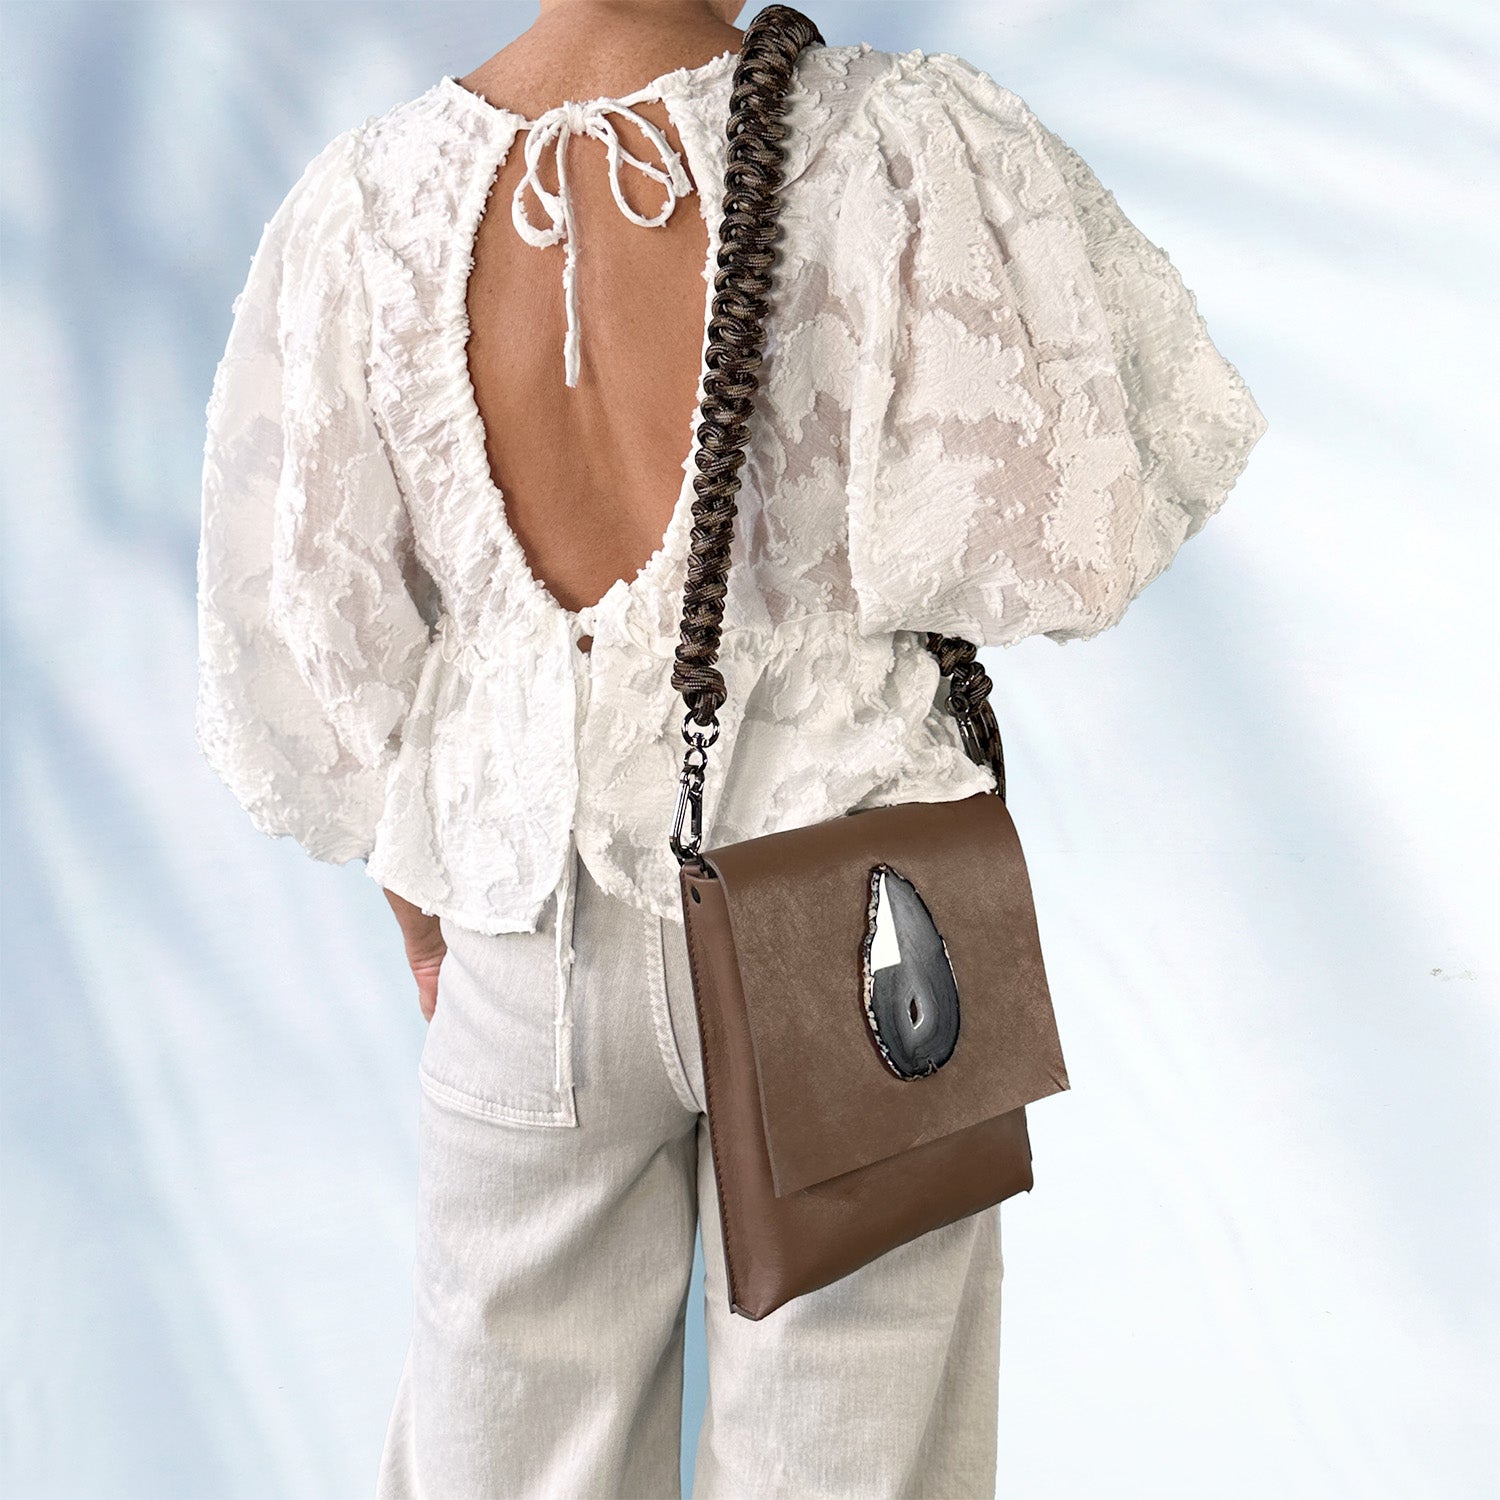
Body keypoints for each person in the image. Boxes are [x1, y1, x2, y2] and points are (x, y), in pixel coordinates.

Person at [194, 0, 1267, 1493]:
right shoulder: (890, 144)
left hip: (527, 918)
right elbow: (1071, 538)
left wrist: (420, 867)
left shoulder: (370, 206)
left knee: (501, 1464)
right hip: (860, 921)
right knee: (853, 1464)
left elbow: (321, 649)